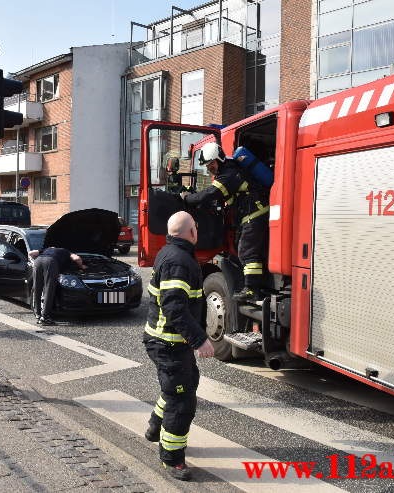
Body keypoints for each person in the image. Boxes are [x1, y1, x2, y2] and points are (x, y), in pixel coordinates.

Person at [143, 211, 214, 481]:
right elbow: (175, 308)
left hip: (170, 342)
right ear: (192, 232)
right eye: (196, 227)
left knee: (180, 386)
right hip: (168, 343)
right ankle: (172, 458)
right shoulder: (180, 261)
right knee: (182, 400)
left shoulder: (171, 252)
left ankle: (154, 427)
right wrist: (201, 340)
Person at [181, 142, 269, 302]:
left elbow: (210, 193)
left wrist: (187, 198)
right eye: (207, 166)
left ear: (220, 159)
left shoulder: (228, 174)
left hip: (255, 212)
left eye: (211, 164)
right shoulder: (228, 171)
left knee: (247, 251)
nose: (210, 168)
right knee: (240, 249)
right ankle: (250, 284)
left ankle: (251, 290)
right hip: (250, 214)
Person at [28, 246, 85, 325]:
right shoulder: (66, 251)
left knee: (37, 288)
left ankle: (37, 314)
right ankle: (45, 317)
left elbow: (31, 253)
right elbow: (77, 259)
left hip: (38, 261)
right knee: (49, 289)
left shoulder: (46, 250)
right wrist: (82, 266)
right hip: (50, 262)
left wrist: (33, 261)